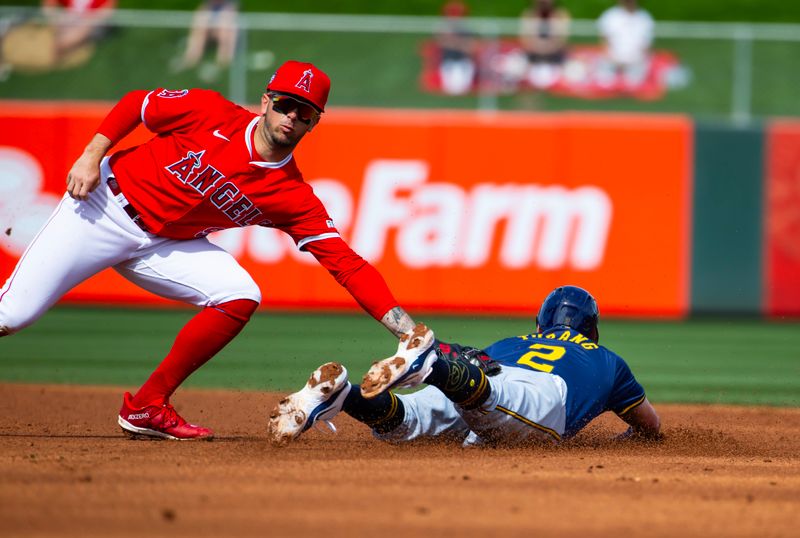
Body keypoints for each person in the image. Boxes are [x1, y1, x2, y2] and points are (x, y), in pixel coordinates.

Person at [0, 60, 417, 441]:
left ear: (314, 123)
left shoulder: (291, 194)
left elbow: (346, 263)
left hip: (165, 244)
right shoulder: (211, 112)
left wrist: (407, 332)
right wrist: (92, 154)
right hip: (101, 207)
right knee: (13, 314)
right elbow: (137, 104)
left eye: (305, 111)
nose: (292, 116)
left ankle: (147, 406)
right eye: (287, 103)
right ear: (266, 101)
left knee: (240, 294)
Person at [269, 285, 661, 447]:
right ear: (593, 329)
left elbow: (486, 366)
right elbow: (649, 425)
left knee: (405, 421)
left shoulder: (515, 341)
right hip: (536, 394)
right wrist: (638, 436)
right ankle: (431, 366)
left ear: (539, 324)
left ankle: (344, 395)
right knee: (490, 404)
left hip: (484, 373)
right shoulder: (608, 360)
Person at [172, 0, 239, 81]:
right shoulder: (206, 8)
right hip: (211, 21)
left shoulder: (229, 8)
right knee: (200, 23)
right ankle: (191, 59)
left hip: (225, 20)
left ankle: (222, 63)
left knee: (225, 30)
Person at [596, 0, 655, 89]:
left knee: (635, 85)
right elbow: (604, 41)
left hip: (635, 61)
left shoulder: (645, 18)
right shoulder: (610, 16)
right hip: (612, 60)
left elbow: (646, 46)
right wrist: (611, 58)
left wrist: (637, 60)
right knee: (604, 83)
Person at [518, 0, 571, 89]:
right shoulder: (528, 15)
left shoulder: (561, 15)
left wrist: (543, 46)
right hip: (532, 60)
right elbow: (525, 40)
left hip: (557, 60)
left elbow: (561, 40)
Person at [435, 1, 477, 96]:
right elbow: (440, 42)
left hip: (463, 62)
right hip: (448, 62)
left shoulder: (466, 30)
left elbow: (470, 47)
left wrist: (453, 41)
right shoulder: (443, 28)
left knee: (462, 91)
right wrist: (458, 43)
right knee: (449, 91)